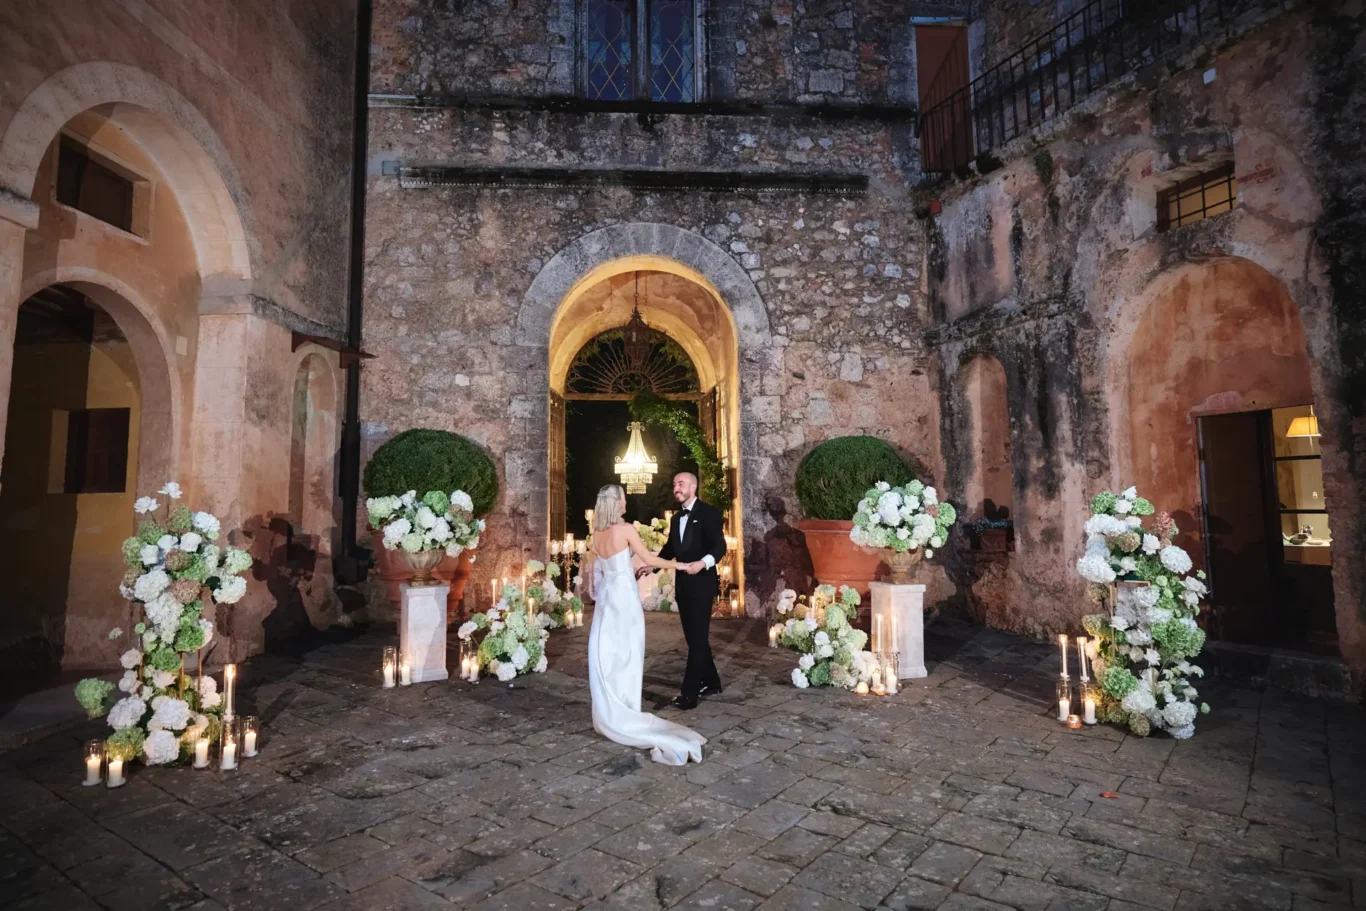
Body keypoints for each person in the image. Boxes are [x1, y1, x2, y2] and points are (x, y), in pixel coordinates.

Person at [588, 484, 706, 765]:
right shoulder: (625, 529)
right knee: (628, 654)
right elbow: (650, 558)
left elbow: (614, 566)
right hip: (625, 602)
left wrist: (637, 568)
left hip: (606, 602)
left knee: (608, 653)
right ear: (616, 503)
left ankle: (610, 711)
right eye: (624, 500)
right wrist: (678, 565)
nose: (627, 505)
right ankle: (627, 710)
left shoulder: (597, 533)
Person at [650, 472, 726, 710]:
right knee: (696, 639)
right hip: (683, 586)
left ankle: (689, 694)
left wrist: (703, 563)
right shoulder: (675, 519)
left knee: (697, 640)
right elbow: (671, 547)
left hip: (702, 585)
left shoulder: (710, 513)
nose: (676, 488)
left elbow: (719, 546)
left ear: (693, 486)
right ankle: (712, 682)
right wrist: (650, 566)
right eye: (674, 484)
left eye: (680, 484)